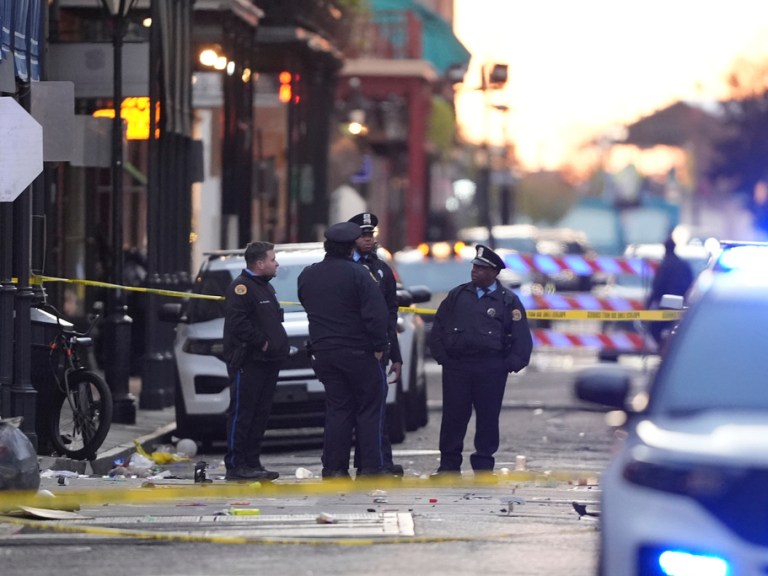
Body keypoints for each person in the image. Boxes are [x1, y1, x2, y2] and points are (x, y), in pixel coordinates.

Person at [298, 222, 392, 479]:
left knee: (338, 410)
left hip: (324, 353)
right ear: (351, 248)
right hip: (359, 352)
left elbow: (307, 303)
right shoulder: (360, 274)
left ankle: (334, 469)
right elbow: (377, 314)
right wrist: (380, 346)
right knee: (369, 410)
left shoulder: (308, 275)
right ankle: (370, 468)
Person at [429, 244, 533, 477]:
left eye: (481, 268)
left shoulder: (507, 300)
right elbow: (439, 327)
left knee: (487, 418)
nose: (475, 271)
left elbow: (521, 336)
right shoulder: (458, 295)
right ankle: (449, 466)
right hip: (458, 366)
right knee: (453, 417)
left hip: (491, 368)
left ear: (494, 272)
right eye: (474, 266)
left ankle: (484, 467)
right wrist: (443, 357)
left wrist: (509, 365)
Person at [222, 241, 289, 482]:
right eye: (272, 259)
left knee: (260, 415)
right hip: (249, 362)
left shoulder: (264, 287)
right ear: (259, 263)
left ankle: (252, 463)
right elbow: (238, 323)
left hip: (268, 361)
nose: (276, 263)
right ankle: (236, 465)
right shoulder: (241, 288)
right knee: (243, 413)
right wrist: (262, 342)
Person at [348, 212, 404, 476]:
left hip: (378, 351)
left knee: (377, 410)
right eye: (362, 235)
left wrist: (396, 355)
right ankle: (368, 464)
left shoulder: (381, 269)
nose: (367, 239)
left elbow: (390, 315)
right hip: (352, 349)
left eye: (370, 234)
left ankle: (380, 462)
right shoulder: (345, 267)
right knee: (355, 411)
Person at [646, 236, 694, 348]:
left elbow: (658, 286)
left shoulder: (666, 265)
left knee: (654, 328)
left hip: (668, 305)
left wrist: (649, 304)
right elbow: (692, 283)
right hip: (684, 305)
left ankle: (665, 349)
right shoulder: (683, 264)